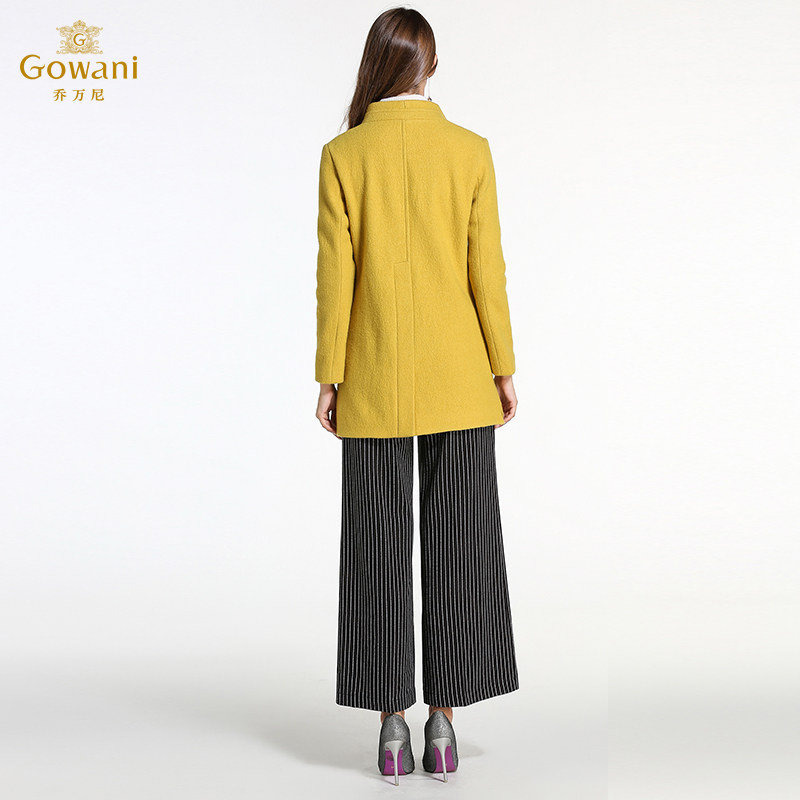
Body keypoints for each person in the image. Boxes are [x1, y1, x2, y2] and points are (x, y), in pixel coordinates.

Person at [314, 7, 520, 784]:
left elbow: (336, 279)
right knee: (461, 544)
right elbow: (486, 273)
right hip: (459, 379)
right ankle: (444, 725)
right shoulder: (469, 151)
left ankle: (390, 728)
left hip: (371, 376)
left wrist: (329, 375)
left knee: (375, 545)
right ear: (429, 66)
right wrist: (503, 366)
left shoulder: (343, 154)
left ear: (376, 64)